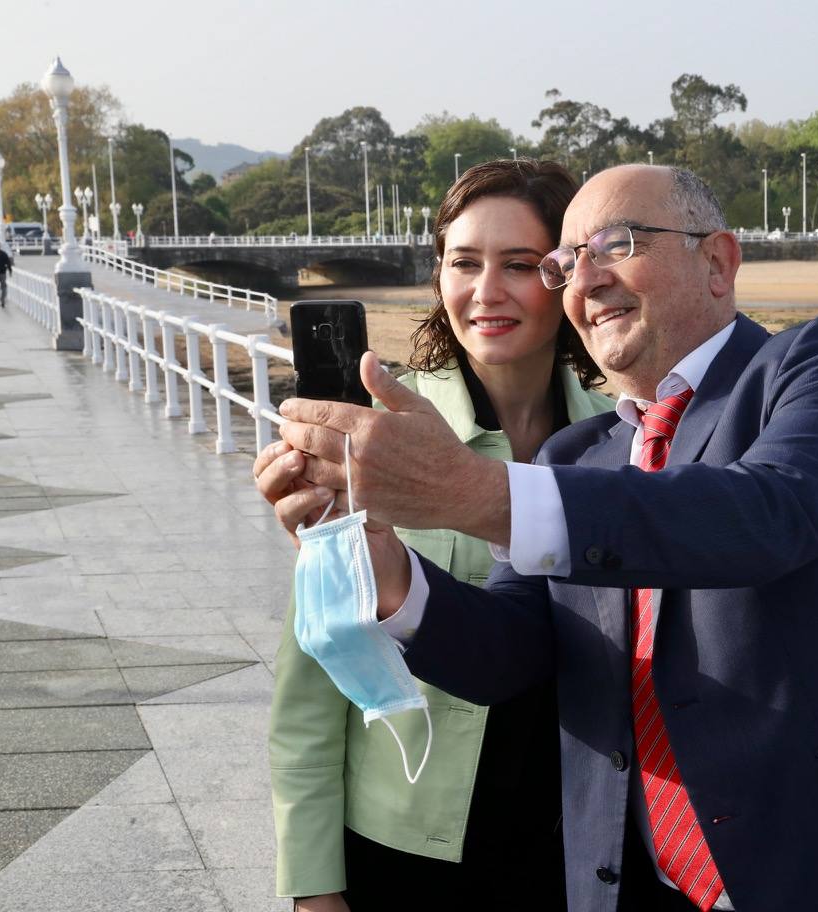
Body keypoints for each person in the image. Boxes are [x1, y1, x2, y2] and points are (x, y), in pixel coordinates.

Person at [266, 165, 818, 912]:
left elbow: (765, 515)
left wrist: (473, 492)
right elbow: (510, 651)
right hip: (647, 887)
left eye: (618, 244)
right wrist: (388, 567)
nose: (587, 277)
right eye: (568, 263)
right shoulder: (580, 455)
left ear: (719, 260)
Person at [260, 159, 613, 912]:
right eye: (464, 263)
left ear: (566, 277)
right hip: (409, 843)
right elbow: (310, 688)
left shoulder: (618, 445)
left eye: (519, 265)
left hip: (581, 846)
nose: (486, 292)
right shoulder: (377, 440)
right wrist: (314, 886)